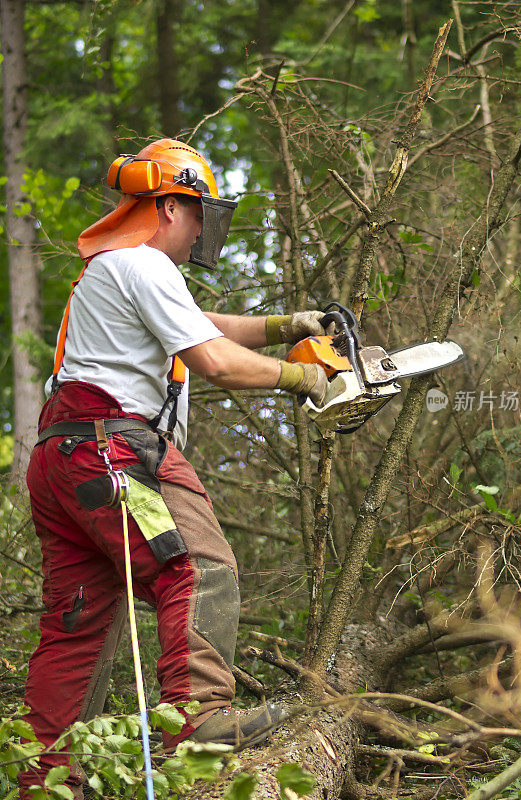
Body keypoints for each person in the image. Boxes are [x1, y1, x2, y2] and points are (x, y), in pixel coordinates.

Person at [18, 138, 328, 799]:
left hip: (63, 461)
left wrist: (287, 325)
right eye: (197, 216)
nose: (199, 233)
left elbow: (203, 326)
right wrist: (302, 375)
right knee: (197, 563)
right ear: (165, 207)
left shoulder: (116, 269)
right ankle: (200, 717)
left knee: (79, 626)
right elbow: (214, 359)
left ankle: (43, 782)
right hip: (115, 451)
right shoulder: (145, 265)